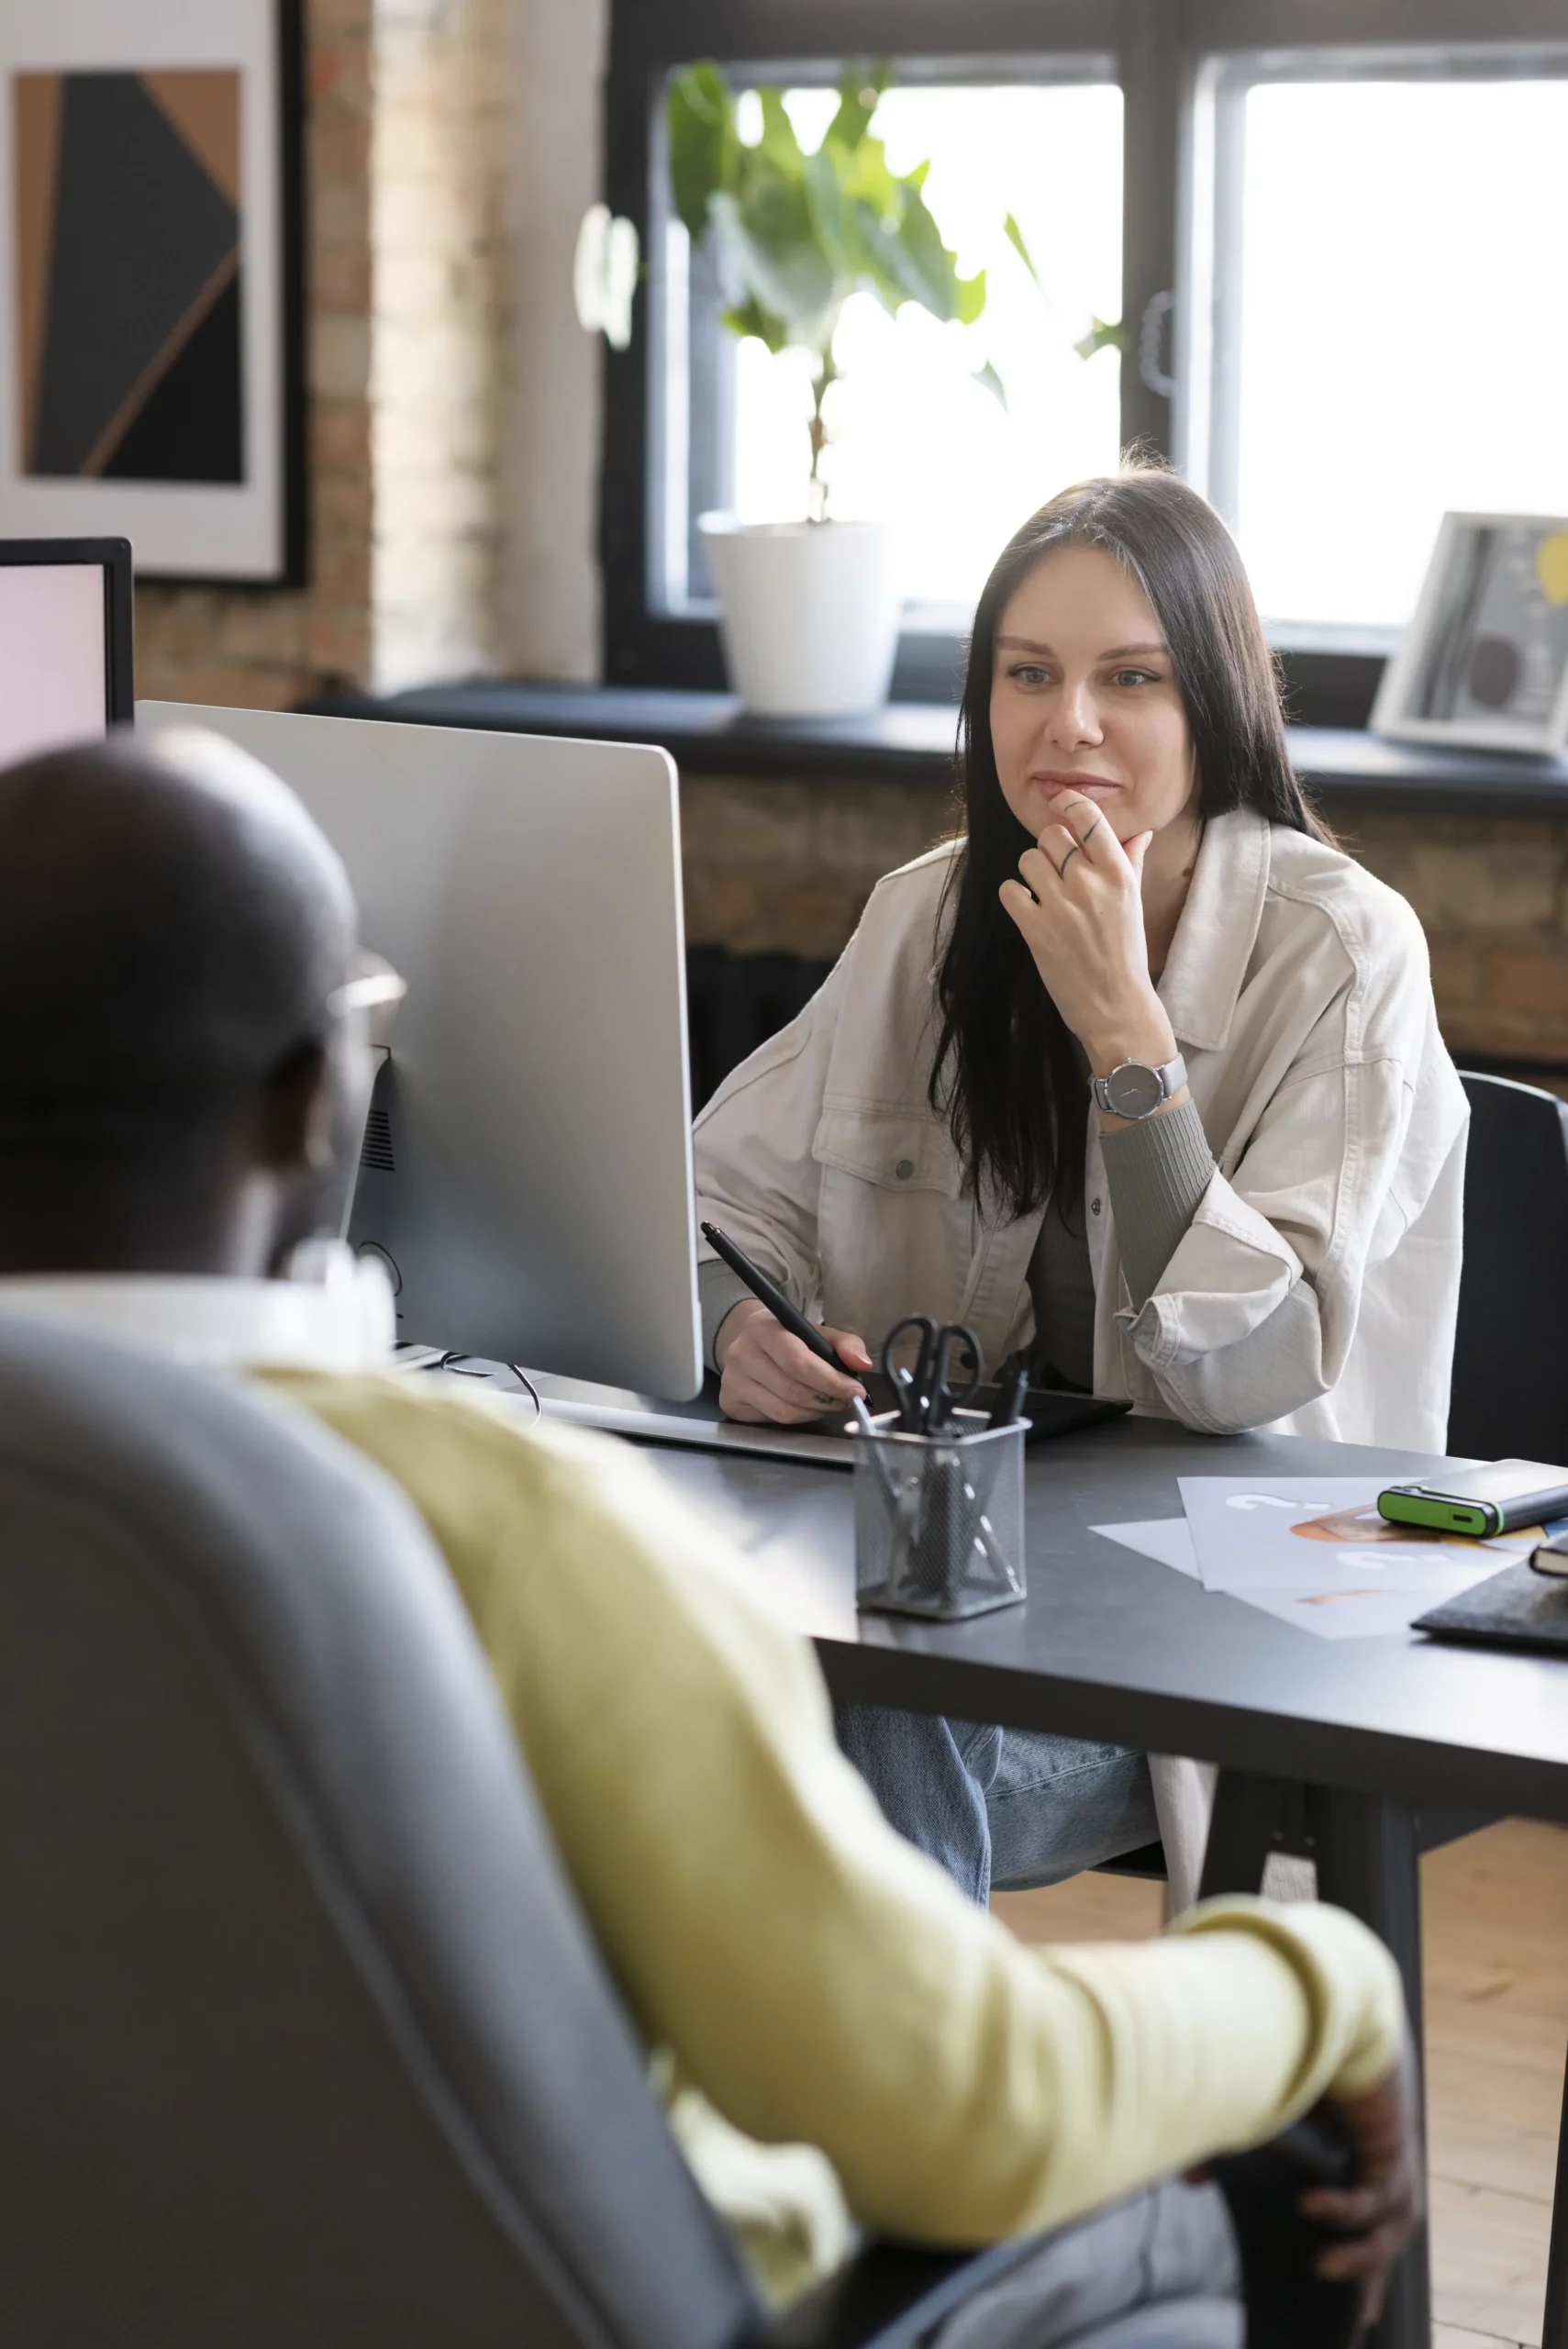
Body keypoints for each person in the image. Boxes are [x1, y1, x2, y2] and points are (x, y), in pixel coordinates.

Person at [0, 728, 1421, 2343]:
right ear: (317, 1103)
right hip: (668, 2300)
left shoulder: (1332, 943)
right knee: (1254, 2197)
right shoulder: (513, 1535)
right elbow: (966, 2109)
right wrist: (1329, 1984)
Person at [694, 467, 1468, 1909]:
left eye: (1133, 679)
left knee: (865, 1708)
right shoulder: (925, 915)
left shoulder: (1345, 952)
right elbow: (714, 1205)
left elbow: (1251, 1369)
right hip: (967, 1577)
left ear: (1215, 707)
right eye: (1028, 674)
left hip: (1226, 1631)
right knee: (683, 1682)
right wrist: (738, 1330)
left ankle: (922, 2126)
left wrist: (1128, 1035)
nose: (1072, 725)